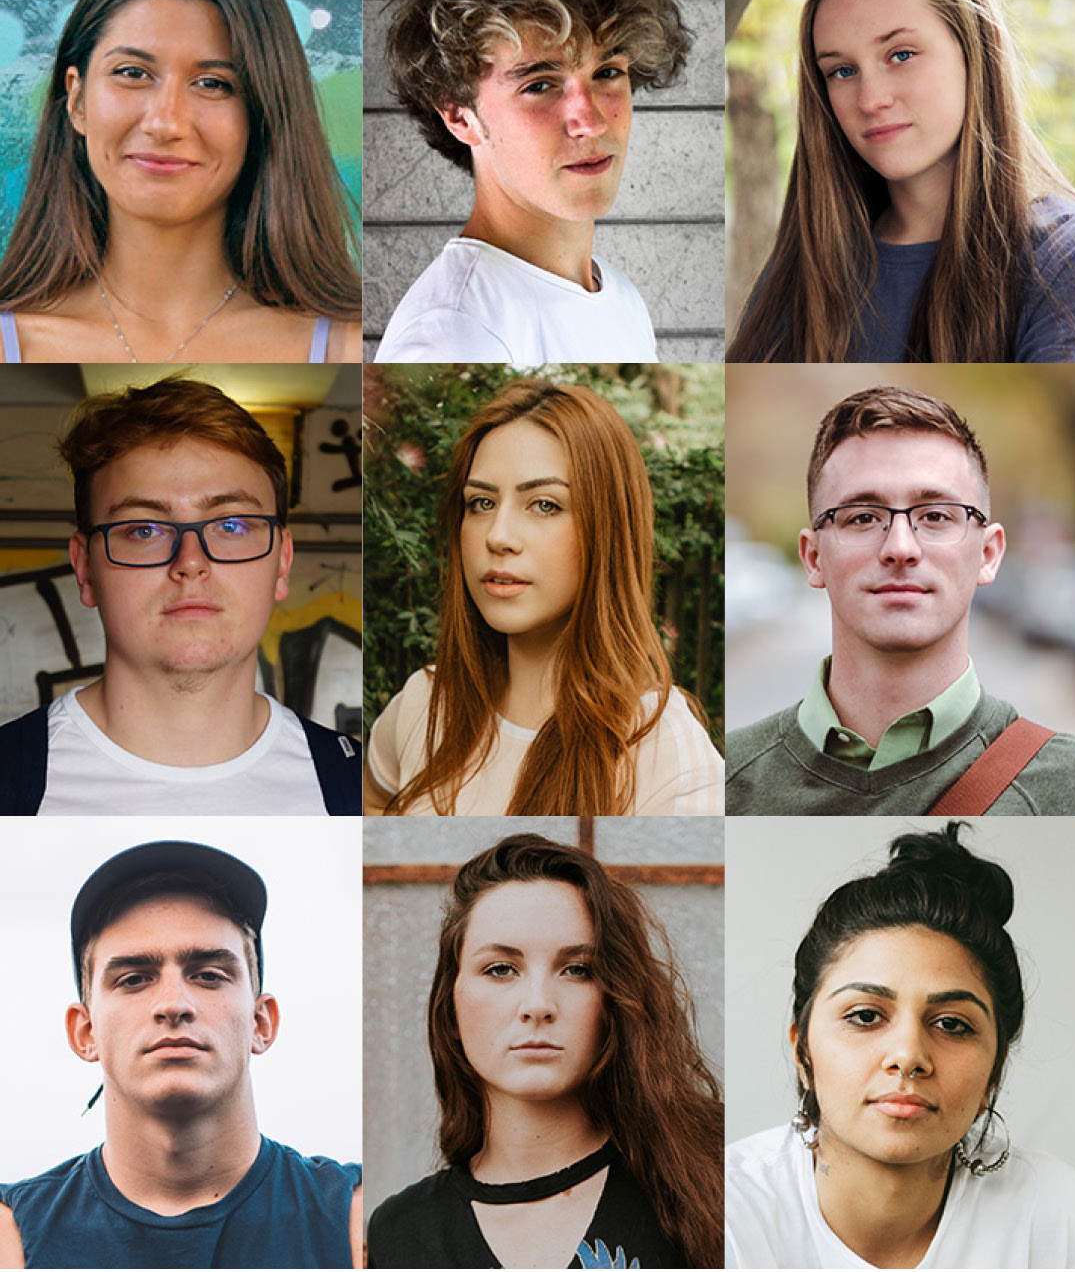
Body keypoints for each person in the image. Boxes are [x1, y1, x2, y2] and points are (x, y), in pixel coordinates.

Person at [725, 0, 1075, 364]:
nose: (870, 99)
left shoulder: (1068, 261)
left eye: (901, 55)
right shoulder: (801, 273)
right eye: (841, 71)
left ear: (975, 53)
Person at [726, 827, 1075, 1267]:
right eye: (865, 1016)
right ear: (803, 1050)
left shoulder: (1059, 1216)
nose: (908, 1055)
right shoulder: (727, 1210)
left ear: (996, 1069)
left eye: (952, 1024)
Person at [720, 386, 1075, 814]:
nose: (900, 547)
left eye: (935, 516)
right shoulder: (725, 781)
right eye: (862, 517)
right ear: (813, 557)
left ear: (988, 555)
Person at [366, 834, 726, 1270]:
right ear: (451, 1005)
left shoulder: (718, 1177)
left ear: (616, 999)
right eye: (500, 969)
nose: (538, 1004)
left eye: (577, 970)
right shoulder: (400, 1233)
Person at [364, 380, 723, 816]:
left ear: (606, 528)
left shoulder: (664, 748)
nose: (499, 536)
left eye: (545, 505)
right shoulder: (424, 701)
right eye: (481, 503)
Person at [0, 0, 357, 364]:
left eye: (213, 84)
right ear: (76, 100)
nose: (165, 123)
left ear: (264, 113)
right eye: (132, 73)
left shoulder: (347, 346)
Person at [0, 378, 355, 813]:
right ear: (85, 568)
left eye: (231, 526)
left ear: (281, 562)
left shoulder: (352, 787)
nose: (190, 561)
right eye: (143, 530)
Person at [0, 841, 361, 1265]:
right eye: (134, 979)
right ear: (85, 1032)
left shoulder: (356, 1221)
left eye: (208, 975)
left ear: (261, 1023)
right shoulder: (12, 1237)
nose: (173, 1004)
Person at [377, 0, 690, 364]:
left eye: (607, 73)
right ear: (458, 116)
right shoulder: (453, 330)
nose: (591, 122)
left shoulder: (619, 296)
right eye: (540, 86)